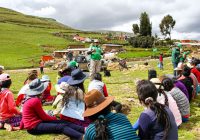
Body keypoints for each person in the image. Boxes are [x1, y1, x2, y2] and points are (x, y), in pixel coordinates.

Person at [20, 79, 84, 139]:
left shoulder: (29, 99)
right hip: (34, 127)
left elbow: (24, 115)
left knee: (64, 122)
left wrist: (20, 126)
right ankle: (82, 137)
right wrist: (54, 119)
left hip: (35, 124)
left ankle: (83, 129)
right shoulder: (35, 100)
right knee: (61, 127)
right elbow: (44, 117)